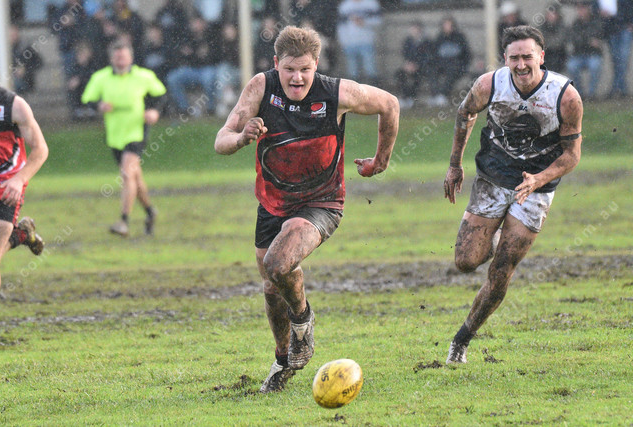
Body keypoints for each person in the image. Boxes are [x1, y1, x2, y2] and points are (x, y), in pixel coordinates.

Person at [214, 26, 399, 392]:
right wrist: (242, 137)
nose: (297, 78)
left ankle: (303, 322)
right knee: (272, 288)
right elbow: (221, 140)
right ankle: (283, 360)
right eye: (289, 69)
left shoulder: (336, 93)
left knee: (278, 264)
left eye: (304, 69)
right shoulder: (260, 87)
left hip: (320, 202)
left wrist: (381, 161)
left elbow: (389, 104)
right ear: (275, 64)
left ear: (317, 63)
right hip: (272, 202)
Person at [442, 26, 583, 364]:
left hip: (536, 186)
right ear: (505, 59)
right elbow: (465, 113)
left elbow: (571, 155)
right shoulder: (489, 85)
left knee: (503, 266)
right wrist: (455, 164)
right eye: (514, 58)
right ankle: (495, 236)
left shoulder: (565, 96)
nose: (521, 65)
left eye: (527, 57)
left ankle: (462, 340)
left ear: (541, 57)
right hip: (493, 176)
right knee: (466, 261)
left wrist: (538, 179)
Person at [81, 41, 166, 237]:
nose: (121, 60)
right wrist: (99, 106)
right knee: (135, 178)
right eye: (117, 56)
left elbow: (161, 96)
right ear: (111, 58)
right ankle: (150, 211)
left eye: (124, 56)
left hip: (137, 132)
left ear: (131, 58)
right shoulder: (100, 77)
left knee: (127, 174)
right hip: (115, 135)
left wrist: (154, 111)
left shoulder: (143, 76)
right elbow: (87, 99)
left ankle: (123, 221)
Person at [0, 45, 49, 303]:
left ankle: (18, 234)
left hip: (6, 187)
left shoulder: (13, 105)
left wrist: (19, 179)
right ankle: (20, 235)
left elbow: (40, 149)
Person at [567, 2, 604, 100]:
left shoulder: (596, 22)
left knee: (595, 65)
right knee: (571, 66)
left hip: (593, 54)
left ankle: (591, 94)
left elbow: (599, 37)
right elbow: (575, 40)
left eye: (583, 8)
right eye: (579, 9)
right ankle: (580, 93)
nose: (581, 11)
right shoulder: (575, 23)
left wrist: (584, 40)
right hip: (578, 54)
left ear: (588, 9)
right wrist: (589, 41)